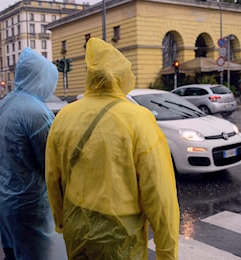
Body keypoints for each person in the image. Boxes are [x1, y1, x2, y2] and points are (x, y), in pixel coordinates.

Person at [45, 37, 180, 259]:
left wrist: (62, 221)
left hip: (76, 228)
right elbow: (159, 192)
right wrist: (167, 251)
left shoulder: (64, 117)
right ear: (123, 77)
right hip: (120, 238)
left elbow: (52, 177)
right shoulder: (138, 119)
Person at [0, 47, 67, 260]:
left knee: (13, 253)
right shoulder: (36, 113)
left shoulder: (5, 103)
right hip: (28, 206)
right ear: (41, 79)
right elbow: (51, 164)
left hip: (2, 199)